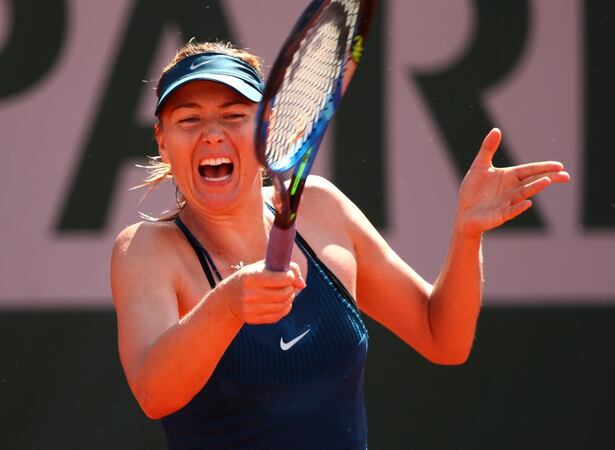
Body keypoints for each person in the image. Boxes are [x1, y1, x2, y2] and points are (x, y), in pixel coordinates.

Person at [111, 41, 570, 450]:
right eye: (189, 120)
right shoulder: (146, 251)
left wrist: (467, 234)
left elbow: (442, 338)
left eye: (234, 116)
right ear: (163, 141)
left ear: (266, 128)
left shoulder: (322, 208)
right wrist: (228, 305)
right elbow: (155, 395)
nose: (212, 133)